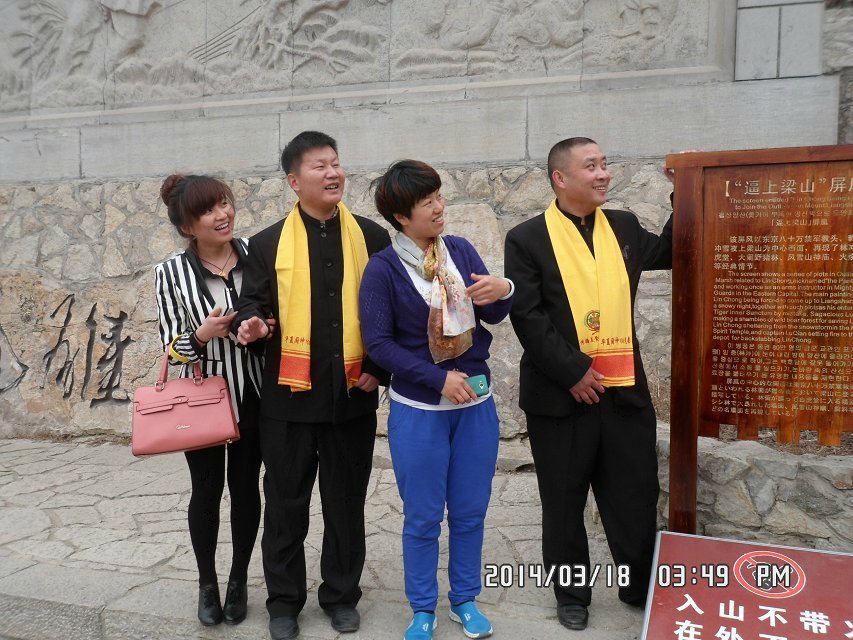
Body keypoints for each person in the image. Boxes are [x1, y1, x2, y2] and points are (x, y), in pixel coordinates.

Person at [504, 137, 673, 630]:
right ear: (561, 178)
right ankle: (572, 594)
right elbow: (528, 315)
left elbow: (670, 251)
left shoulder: (622, 226)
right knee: (564, 501)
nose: (603, 174)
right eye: (591, 166)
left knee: (635, 495)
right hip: (560, 397)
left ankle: (638, 585)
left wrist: (683, 194)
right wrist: (573, 371)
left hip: (622, 391)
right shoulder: (527, 238)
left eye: (604, 164)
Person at [233, 131, 391, 640]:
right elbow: (254, 305)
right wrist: (253, 325)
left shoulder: (372, 237)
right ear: (294, 181)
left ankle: (341, 596)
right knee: (285, 507)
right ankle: (284, 602)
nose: (332, 173)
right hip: (287, 402)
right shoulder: (266, 244)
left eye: (336, 163)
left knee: (346, 505)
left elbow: (390, 312)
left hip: (352, 396)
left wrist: (380, 369)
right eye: (319, 166)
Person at [359, 160, 513, 640]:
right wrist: (436, 379)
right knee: (423, 517)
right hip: (420, 412)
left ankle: (464, 599)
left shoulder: (459, 250)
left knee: (470, 511)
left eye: (438, 197)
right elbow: (379, 344)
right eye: (427, 202)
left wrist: (503, 289)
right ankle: (423, 607)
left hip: (475, 408)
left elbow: (495, 313)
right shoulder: (383, 269)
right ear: (401, 216)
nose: (439, 207)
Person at [154, 174, 264, 627]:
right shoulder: (170, 273)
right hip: (201, 401)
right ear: (187, 226)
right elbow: (171, 348)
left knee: (246, 488)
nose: (222, 215)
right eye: (208, 210)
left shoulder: (256, 254)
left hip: (254, 393)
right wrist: (201, 335)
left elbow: (274, 312)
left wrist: (263, 327)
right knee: (206, 490)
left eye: (223, 203)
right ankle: (207, 582)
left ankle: (238, 579)